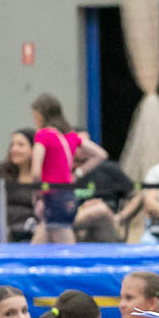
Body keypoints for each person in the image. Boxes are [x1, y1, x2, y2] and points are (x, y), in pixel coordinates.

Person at [28, 93, 105, 245]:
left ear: (40, 115)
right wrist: (78, 173)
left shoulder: (43, 135)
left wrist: (36, 194)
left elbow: (36, 172)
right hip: (67, 195)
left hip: (51, 196)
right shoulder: (71, 136)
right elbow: (101, 154)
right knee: (44, 239)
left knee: (63, 241)